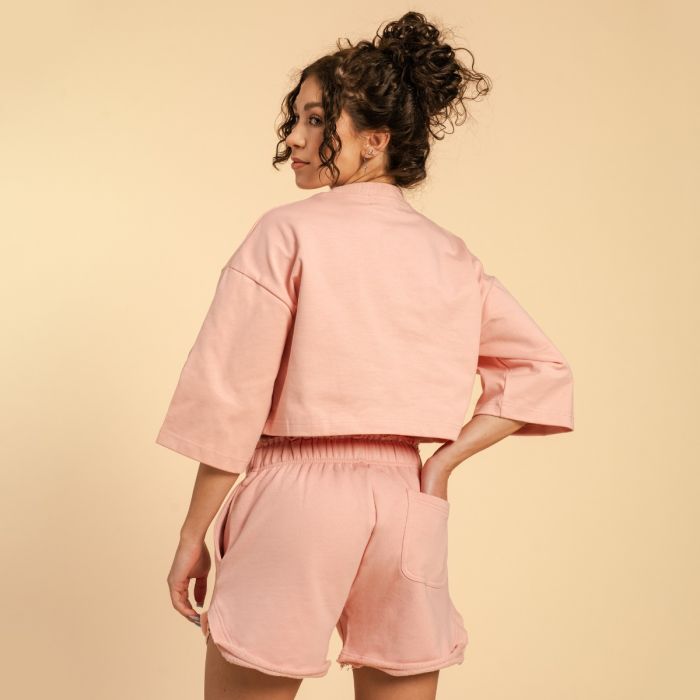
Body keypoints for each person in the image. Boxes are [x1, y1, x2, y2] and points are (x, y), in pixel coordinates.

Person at [156, 11, 574, 700]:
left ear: (376, 140)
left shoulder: (285, 234)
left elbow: (230, 398)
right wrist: (440, 463)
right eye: (296, 119)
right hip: (407, 500)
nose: (295, 137)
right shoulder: (450, 255)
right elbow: (543, 370)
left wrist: (191, 535)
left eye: (318, 120)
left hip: (295, 496)